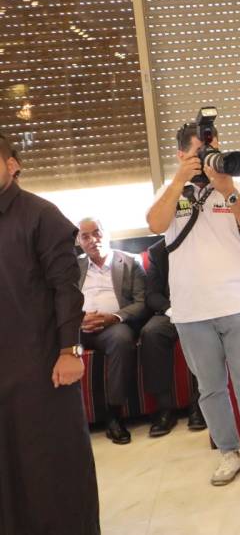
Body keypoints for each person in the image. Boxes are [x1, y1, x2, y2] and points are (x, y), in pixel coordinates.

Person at [146, 119, 240, 490]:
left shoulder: (233, 186)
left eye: (213, 149)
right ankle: (228, 453)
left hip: (238, 303)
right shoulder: (169, 190)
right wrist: (179, 180)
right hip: (191, 310)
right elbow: (155, 224)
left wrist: (228, 190)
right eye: (200, 151)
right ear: (181, 154)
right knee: (210, 389)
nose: (209, 157)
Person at [0, 132, 100, 534]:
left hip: (42, 366)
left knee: (51, 464)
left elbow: (66, 288)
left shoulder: (41, 215)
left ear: (11, 165)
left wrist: (69, 350)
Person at [76, 216, 146, 444]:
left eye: (96, 232)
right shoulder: (73, 267)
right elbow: (60, 300)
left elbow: (141, 302)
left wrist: (113, 318)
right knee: (47, 341)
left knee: (122, 339)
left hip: (112, 328)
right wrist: (78, 319)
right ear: (79, 241)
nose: (92, 239)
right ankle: (61, 418)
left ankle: (114, 415)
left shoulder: (130, 262)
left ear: (107, 234)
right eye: (85, 236)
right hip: (79, 328)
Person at [142, 238, 206, 436]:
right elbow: (152, 294)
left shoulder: (204, 241)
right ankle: (164, 410)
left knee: (203, 330)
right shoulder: (157, 251)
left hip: (203, 308)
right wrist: (170, 310)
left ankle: (199, 405)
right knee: (151, 333)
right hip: (171, 311)